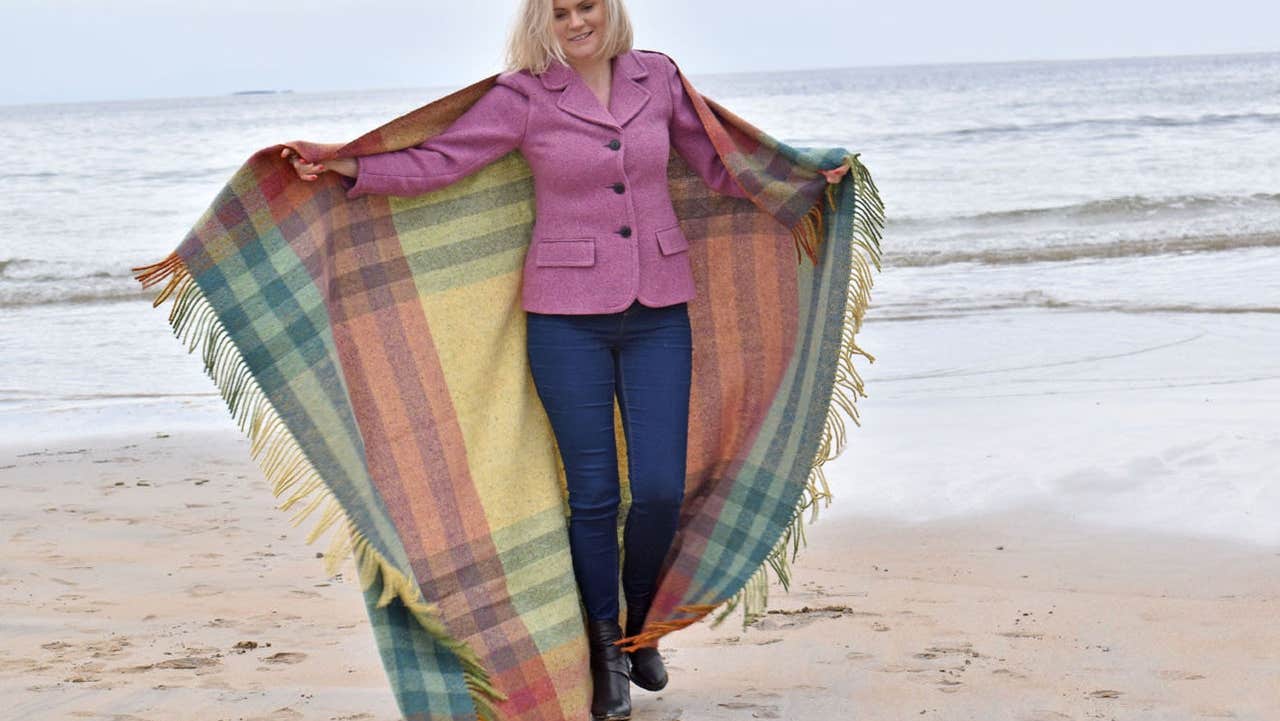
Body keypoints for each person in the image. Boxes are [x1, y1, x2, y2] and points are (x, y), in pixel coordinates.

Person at [282, 1, 847, 718]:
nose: (577, 21)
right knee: (594, 496)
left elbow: (718, 161)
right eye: (561, 10)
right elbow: (442, 159)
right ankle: (606, 651)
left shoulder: (660, 78)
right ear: (541, 20)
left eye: (587, 5)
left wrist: (804, 175)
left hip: (659, 309)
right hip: (564, 321)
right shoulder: (523, 95)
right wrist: (346, 163)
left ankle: (642, 627)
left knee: (662, 489)